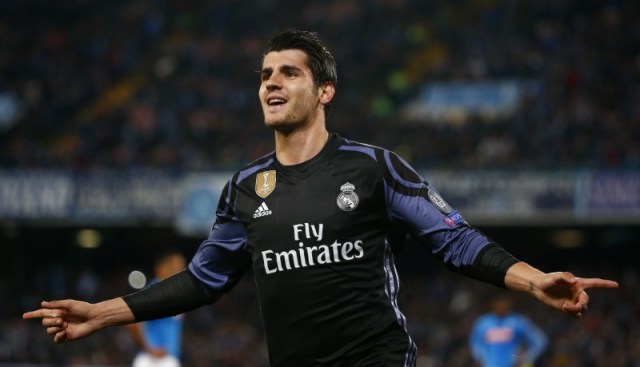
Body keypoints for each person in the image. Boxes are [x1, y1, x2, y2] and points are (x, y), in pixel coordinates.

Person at [23, 29, 618, 367]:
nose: (271, 83)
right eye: (264, 74)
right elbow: (203, 281)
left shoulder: (372, 166)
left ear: (325, 90)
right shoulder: (244, 188)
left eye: (288, 72)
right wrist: (100, 314)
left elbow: (453, 240)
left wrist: (532, 278)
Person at [126, 250, 187, 367]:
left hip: (166, 359)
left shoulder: (173, 293)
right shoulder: (156, 291)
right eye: (175, 266)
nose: (180, 270)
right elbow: (132, 323)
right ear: (161, 268)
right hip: (155, 361)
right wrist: (149, 349)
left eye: (182, 267)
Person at [469, 295, 547, 367]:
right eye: (498, 302)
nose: (501, 305)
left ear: (508, 303)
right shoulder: (483, 323)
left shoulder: (517, 321)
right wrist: (482, 358)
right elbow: (475, 344)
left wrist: (527, 358)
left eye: (503, 302)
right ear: (493, 304)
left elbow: (540, 340)